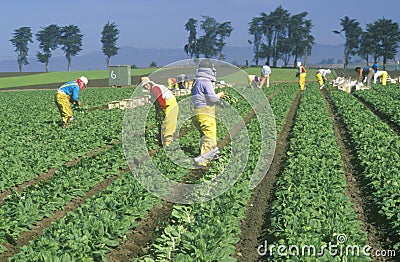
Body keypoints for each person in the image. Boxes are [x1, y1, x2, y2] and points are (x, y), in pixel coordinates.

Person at [191, 59, 226, 167]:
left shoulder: (196, 81)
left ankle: (209, 154)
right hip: (205, 113)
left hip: (196, 112)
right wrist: (219, 95)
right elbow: (212, 98)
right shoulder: (206, 81)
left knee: (204, 135)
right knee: (209, 136)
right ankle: (202, 161)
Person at [141, 76, 178, 147]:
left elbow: (160, 100)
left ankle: (167, 143)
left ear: (150, 83)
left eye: (146, 84)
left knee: (169, 124)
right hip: (166, 105)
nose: (146, 86)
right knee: (165, 123)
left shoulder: (155, 88)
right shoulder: (152, 90)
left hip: (170, 104)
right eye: (144, 86)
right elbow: (155, 101)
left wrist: (161, 109)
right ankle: (164, 139)